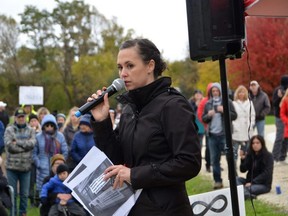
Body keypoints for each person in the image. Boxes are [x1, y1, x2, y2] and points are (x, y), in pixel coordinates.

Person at [89, 38, 201, 216]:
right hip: (133, 209)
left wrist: (134, 175)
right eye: (120, 67)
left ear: (150, 66)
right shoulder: (129, 109)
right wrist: (102, 123)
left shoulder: (173, 106)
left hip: (167, 210)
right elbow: (117, 159)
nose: (123, 73)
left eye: (130, 66)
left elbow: (189, 163)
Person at [202, 82, 237, 189]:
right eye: (213, 91)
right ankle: (218, 181)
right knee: (214, 160)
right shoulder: (208, 103)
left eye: (217, 91)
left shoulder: (227, 101)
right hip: (212, 135)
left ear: (221, 92)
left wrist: (224, 111)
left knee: (230, 157)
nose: (215, 93)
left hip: (224, 135)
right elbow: (204, 118)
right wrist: (209, 115)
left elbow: (234, 116)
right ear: (211, 93)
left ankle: (234, 180)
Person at [4, 108, 36, 216]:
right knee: (12, 193)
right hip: (11, 167)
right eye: (19, 117)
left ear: (25, 117)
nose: (21, 118)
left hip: (26, 167)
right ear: (15, 118)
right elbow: (9, 146)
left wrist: (17, 142)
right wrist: (24, 146)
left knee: (24, 194)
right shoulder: (9, 130)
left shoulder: (31, 130)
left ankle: (23, 213)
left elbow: (32, 144)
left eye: (23, 116)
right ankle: (13, 213)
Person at [33, 114, 68, 206]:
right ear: (43, 125)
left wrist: (61, 163)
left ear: (55, 126)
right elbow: (34, 152)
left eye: (51, 125)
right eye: (47, 125)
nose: (49, 127)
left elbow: (65, 151)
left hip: (57, 166)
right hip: (42, 166)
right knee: (43, 186)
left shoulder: (60, 136)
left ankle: (57, 204)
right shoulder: (38, 137)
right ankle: (42, 205)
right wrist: (38, 163)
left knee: (57, 185)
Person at [237, 135, 274, 200]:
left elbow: (267, 173)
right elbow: (243, 170)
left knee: (246, 189)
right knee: (235, 179)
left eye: (257, 143)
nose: (255, 145)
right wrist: (242, 159)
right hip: (248, 182)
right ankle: (245, 194)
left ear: (262, 144)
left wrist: (253, 182)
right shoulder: (250, 155)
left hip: (263, 184)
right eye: (253, 143)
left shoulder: (268, 156)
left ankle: (243, 193)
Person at [232, 85, 255, 170]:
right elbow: (233, 116)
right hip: (237, 130)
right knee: (234, 151)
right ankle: (234, 170)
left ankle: (245, 167)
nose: (241, 94)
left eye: (243, 92)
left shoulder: (250, 103)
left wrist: (251, 124)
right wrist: (234, 125)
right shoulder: (234, 103)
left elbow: (252, 115)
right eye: (240, 92)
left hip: (247, 129)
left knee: (246, 151)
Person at [197, 83, 213, 173]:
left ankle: (215, 163)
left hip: (219, 129)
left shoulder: (220, 100)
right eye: (212, 90)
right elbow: (199, 113)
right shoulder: (205, 101)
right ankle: (208, 164)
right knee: (208, 147)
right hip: (208, 128)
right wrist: (205, 124)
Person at [272, 75, 288, 163]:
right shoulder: (278, 90)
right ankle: (274, 156)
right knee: (280, 136)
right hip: (279, 116)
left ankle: (282, 156)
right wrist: (279, 97)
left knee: (286, 138)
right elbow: (274, 103)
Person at [28, 113, 41, 207]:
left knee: (39, 181)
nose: (33, 122)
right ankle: (32, 200)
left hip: (40, 160)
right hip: (31, 161)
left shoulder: (41, 132)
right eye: (31, 121)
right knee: (31, 181)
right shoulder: (27, 132)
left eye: (35, 120)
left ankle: (38, 199)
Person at [63, 106, 80, 172]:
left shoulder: (82, 127)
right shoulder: (66, 129)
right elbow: (64, 143)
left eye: (76, 115)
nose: (74, 117)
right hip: (69, 158)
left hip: (80, 157)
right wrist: (72, 151)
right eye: (72, 115)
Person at [279, 88, 288, 163]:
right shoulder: (285, 100)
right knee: (285, 141)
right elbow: (282, 113)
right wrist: (287, 121)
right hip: (287, 124)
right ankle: (282, 157)